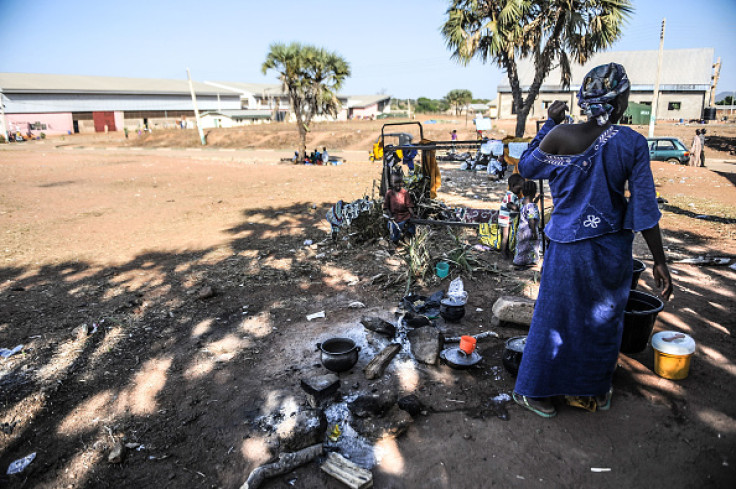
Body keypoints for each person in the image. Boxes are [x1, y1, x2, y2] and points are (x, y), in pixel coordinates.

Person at [512, 63, 673, 418]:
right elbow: (644, 208)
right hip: (611, 249)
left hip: (567, 248)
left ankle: (536, 392)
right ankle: (592, 392)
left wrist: (549, 124)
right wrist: (660, 260)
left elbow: (526, 168)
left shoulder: (559, 136)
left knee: (554, 318)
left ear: (584, 100)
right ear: (620, 102)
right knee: (602, 320)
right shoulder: (632, 143)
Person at [513, 180, 541, 268]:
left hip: (521, 229)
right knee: (533, 247)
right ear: (534, 192)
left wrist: (537, 199)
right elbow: (531, 220)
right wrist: (534, 232)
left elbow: (529, 206)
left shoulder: (522, 201)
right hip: (529, 230)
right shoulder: (532, 206)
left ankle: (518, 261)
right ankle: (532, 261)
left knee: (521, 247)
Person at [383, 172, 416, 245]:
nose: (398, 185)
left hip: (405, 216)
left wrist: (413, 215)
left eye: (400, 183)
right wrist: (390, 215)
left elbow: (409, 205)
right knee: (393, 228)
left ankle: (410, 239)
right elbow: (386, 206)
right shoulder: (389, 193)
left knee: (411, 227)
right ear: (392, 183)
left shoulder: (405, 193)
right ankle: (395, 242)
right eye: (396, 183)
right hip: (394, 217)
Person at [499, 173, 524, 258]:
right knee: (505, 236)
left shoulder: (514, 195)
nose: (520, 190)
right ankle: (503, 252)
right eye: (519, 188)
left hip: (507, 219)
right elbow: (509, 204)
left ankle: (506, 250)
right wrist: (516, 208)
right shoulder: (510, 195)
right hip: (505, 219)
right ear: (513, 186)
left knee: (507, 236)